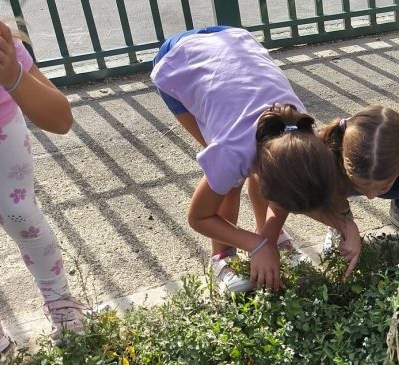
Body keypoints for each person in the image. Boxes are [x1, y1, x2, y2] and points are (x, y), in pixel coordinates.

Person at [152, 26, 357, 294]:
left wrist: (346, 225)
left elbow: (293, 191)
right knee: (228, 183)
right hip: (180, 59)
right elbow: (198, 216)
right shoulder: (231, 152)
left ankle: (272, 238)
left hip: (232, 46)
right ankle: (223, 256)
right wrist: (256, 245)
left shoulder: (304, 134)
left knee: (251, 175)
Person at [0, 20, 85, 359]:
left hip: (3, 132)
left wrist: (13, 77)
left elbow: (60, 120)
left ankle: (59, 301)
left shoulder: (5, 45)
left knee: (21, 215)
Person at [318, 106, 399, 235]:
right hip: (342, 176)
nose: (370, 196)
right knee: (326, 187)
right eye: (361, 185)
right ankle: (341, 225)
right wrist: (345, 226)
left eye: (382, 187)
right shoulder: (325, 148)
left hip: (397, 172)